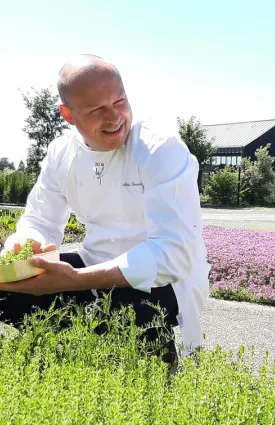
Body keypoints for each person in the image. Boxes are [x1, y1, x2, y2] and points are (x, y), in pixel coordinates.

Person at [0, 54, 210, 365]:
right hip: (93, 261)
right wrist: (25, 243)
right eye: (97, 109)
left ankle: (154, 377)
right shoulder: (62, 152)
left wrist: (75, 280)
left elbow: (173, 255)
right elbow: (40, 219)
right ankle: (62, 361)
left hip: (165, 279)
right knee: (7, 291)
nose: (114, 117)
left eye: (120, 101)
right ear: (68, 114)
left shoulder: (159, 149)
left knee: (129, 312)